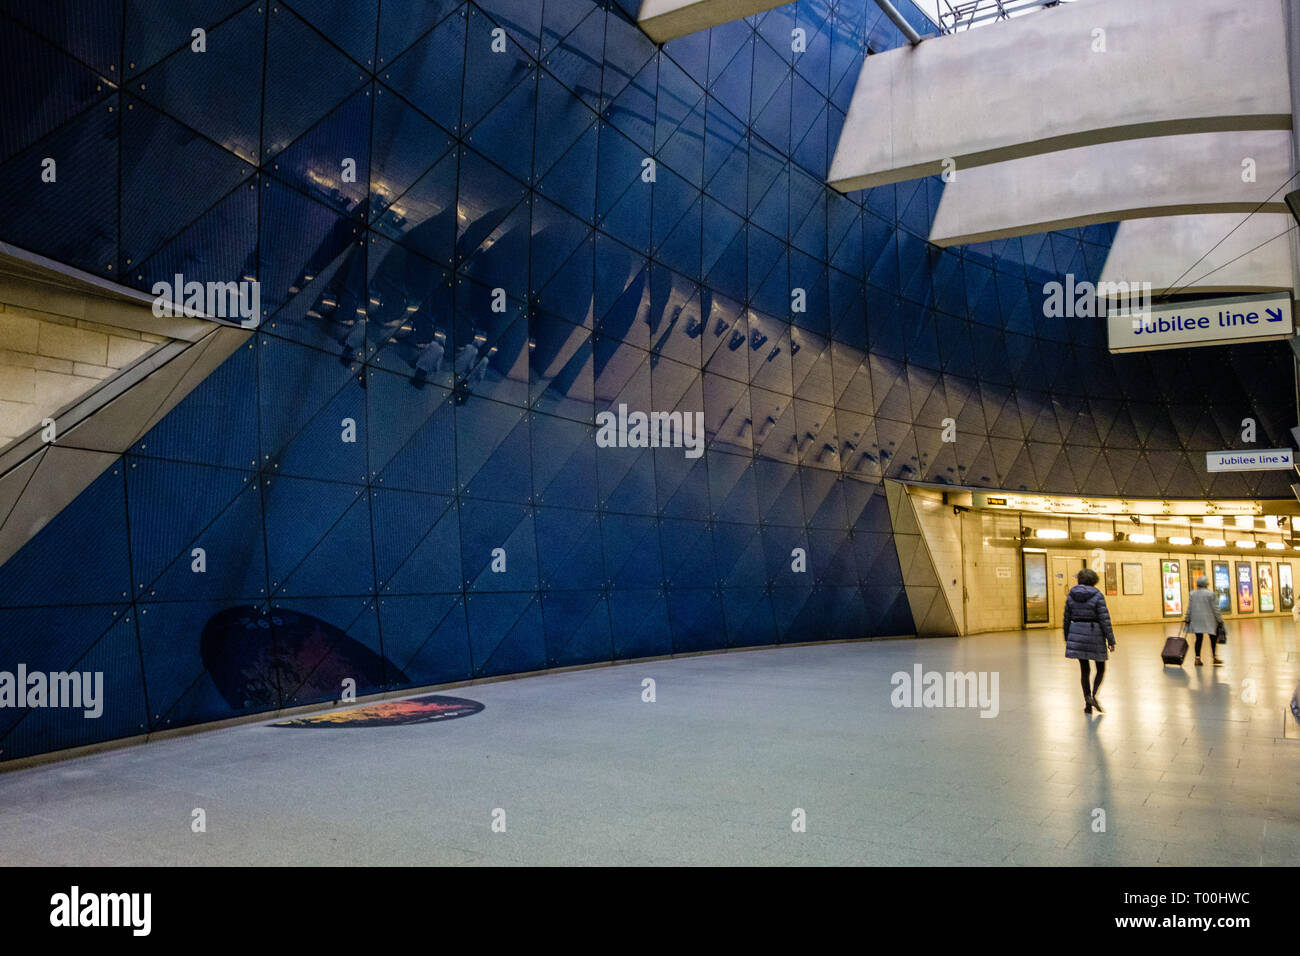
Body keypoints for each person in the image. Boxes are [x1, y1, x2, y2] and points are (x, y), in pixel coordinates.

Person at [1063, 568, 1116, 714]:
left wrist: (1067, 637)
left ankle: (1087, 702)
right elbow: (1104, 619)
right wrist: (1111, 640)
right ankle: (1093, 695)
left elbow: (1066, 618)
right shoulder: (1097, 595)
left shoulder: (1071, 595)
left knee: (1084, 670)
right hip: (1095, 633)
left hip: (1077, 633)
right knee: (1100, 668)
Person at [1185, 575, 1224, 666]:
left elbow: (1189, 607)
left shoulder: (1192, 593)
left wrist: (1187, 618)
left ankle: (1197, 659)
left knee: (1198, 639)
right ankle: (1214, 657)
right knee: (1213, 639)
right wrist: (1219, 619)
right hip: (1209, 620)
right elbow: (1215, 608)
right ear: (1206, 584)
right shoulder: (1210, 594)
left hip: (1197, 619)